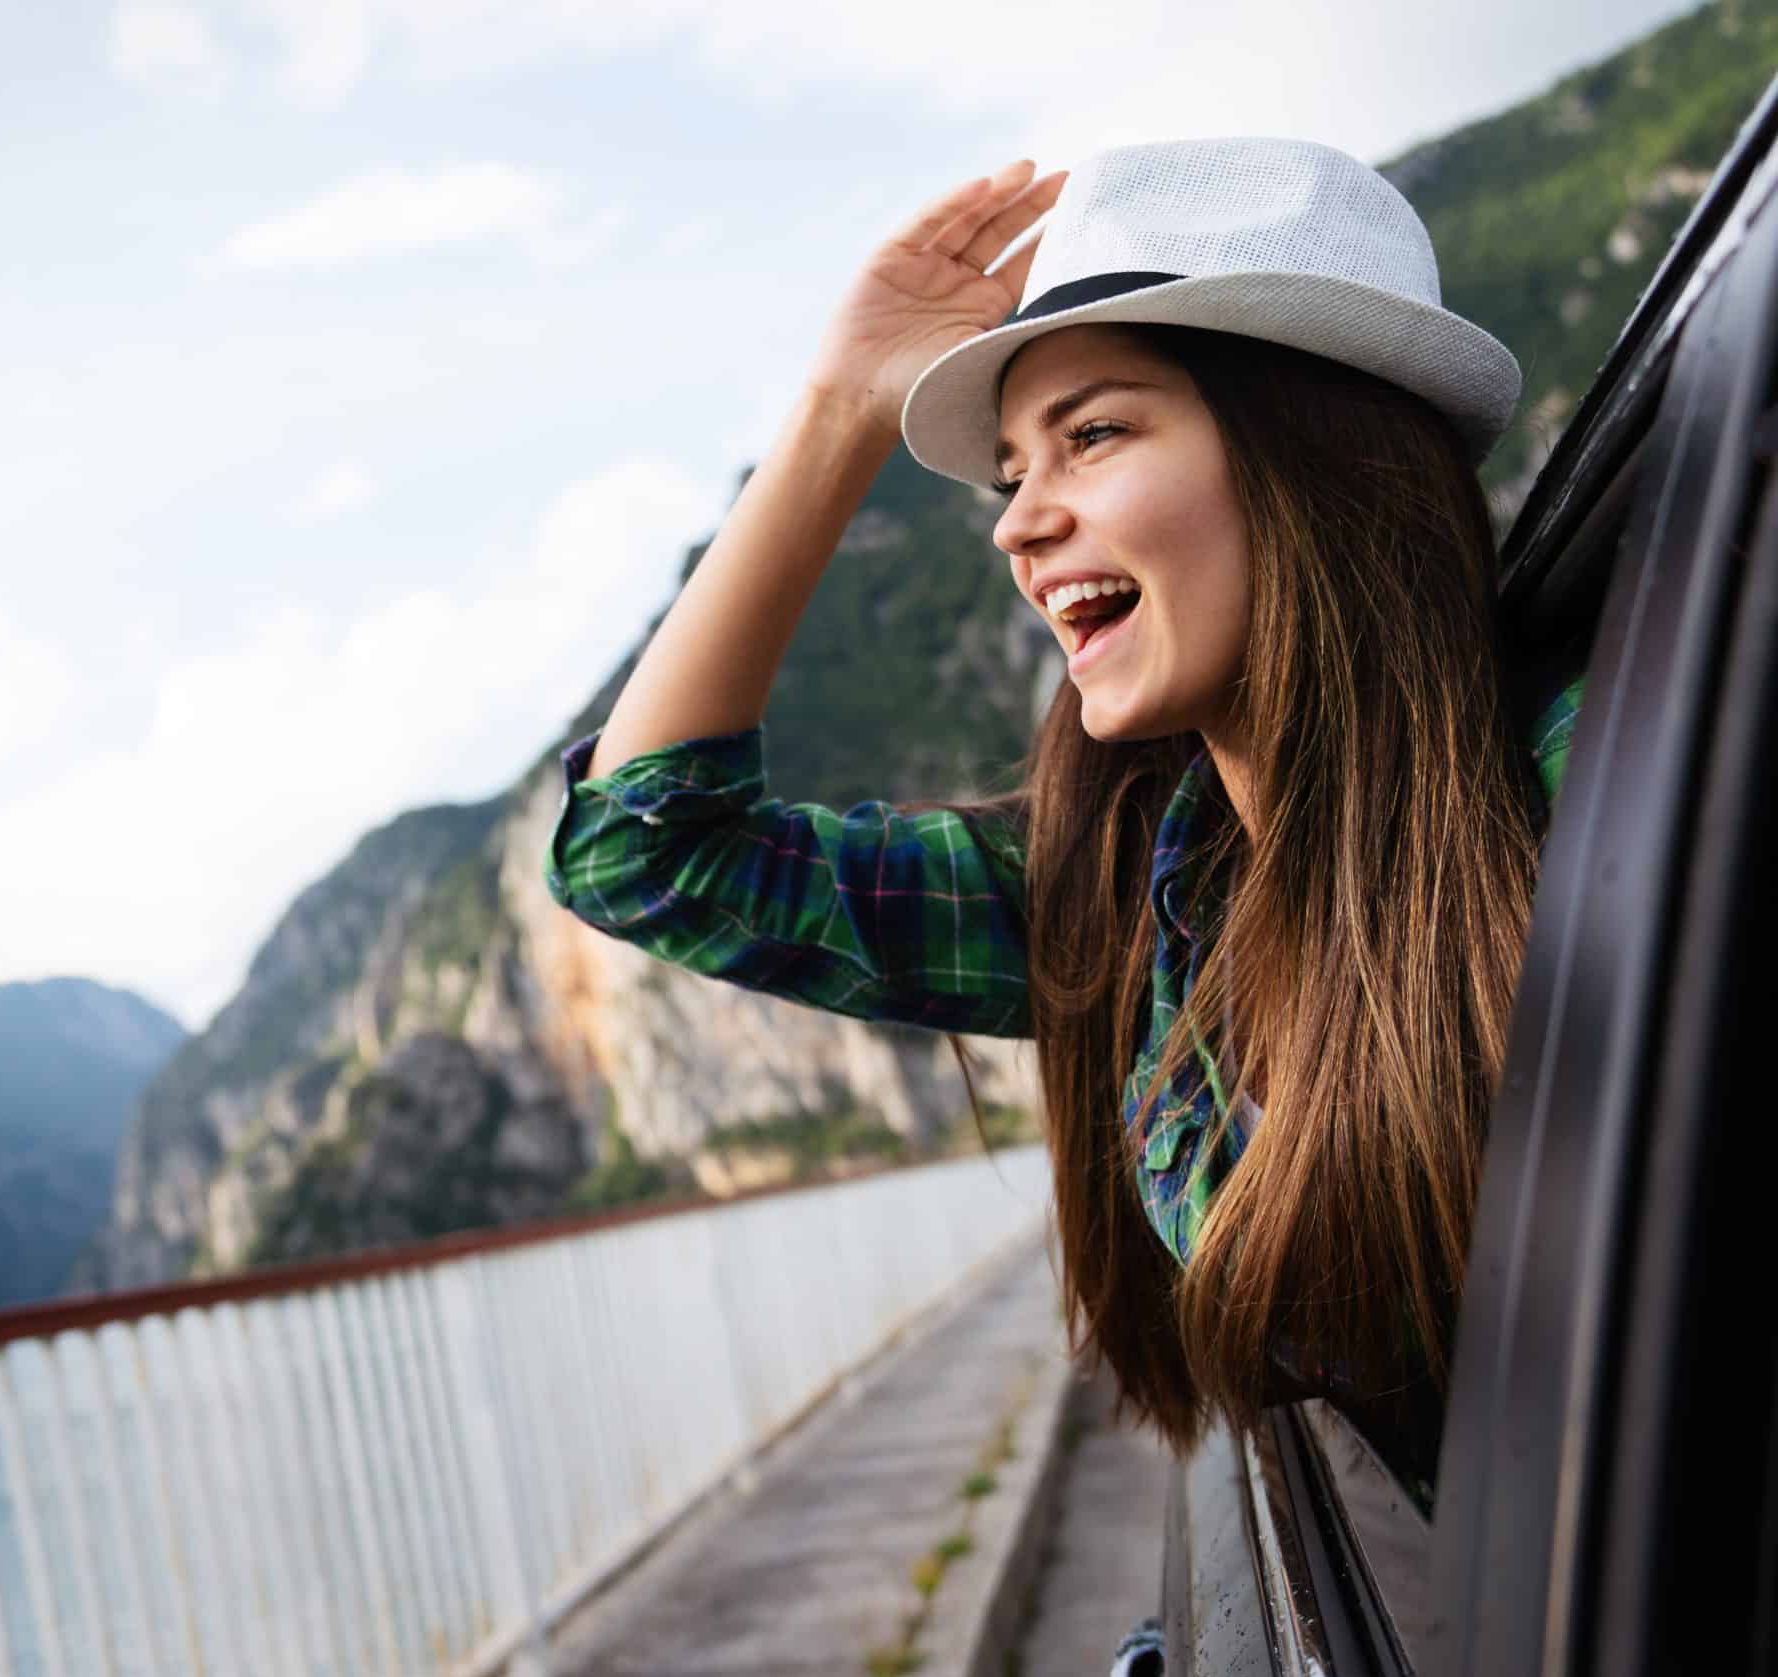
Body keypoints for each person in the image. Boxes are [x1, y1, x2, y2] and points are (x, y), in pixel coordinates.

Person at [541, 138, 1583, 1521]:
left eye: (1091, 435)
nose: (1017, 527)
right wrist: (838, 411)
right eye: (1008, 474)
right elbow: (646, 853)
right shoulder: (1114, 896)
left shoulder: (1589, 785)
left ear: (1317, 461)